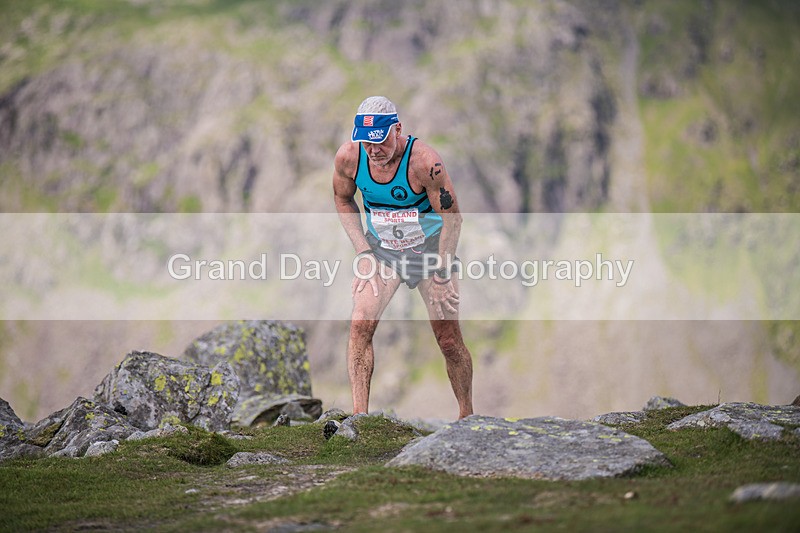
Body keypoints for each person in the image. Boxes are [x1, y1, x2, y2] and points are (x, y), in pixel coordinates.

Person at [332, 95, 474, 421]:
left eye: (380, 141)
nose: (374, 150)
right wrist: (363, 252)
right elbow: (342, 199)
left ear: (397, 129)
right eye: (367, 142)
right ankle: (360, 419)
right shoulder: (349, 159)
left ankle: (467, 418)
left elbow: (453, 217)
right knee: (360, 324)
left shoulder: (425, 163)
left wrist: (441, 270)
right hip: (383, 251)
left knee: (449, 340)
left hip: (430, 251)